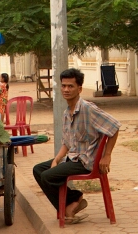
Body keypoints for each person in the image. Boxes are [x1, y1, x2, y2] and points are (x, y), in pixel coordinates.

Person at [33, 68, 121, 224]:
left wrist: (107, 155)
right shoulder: (67, 113)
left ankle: (72, 200)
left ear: (79, 89)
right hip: (73, 158)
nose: (66, 89)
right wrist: (57, 159)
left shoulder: (88, 108)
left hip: (87, 161)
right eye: (64, 86)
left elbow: (114, 127)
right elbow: (67, 142)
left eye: (71, 86)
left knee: (48, 176)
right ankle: (70, 204)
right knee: (38, 170)